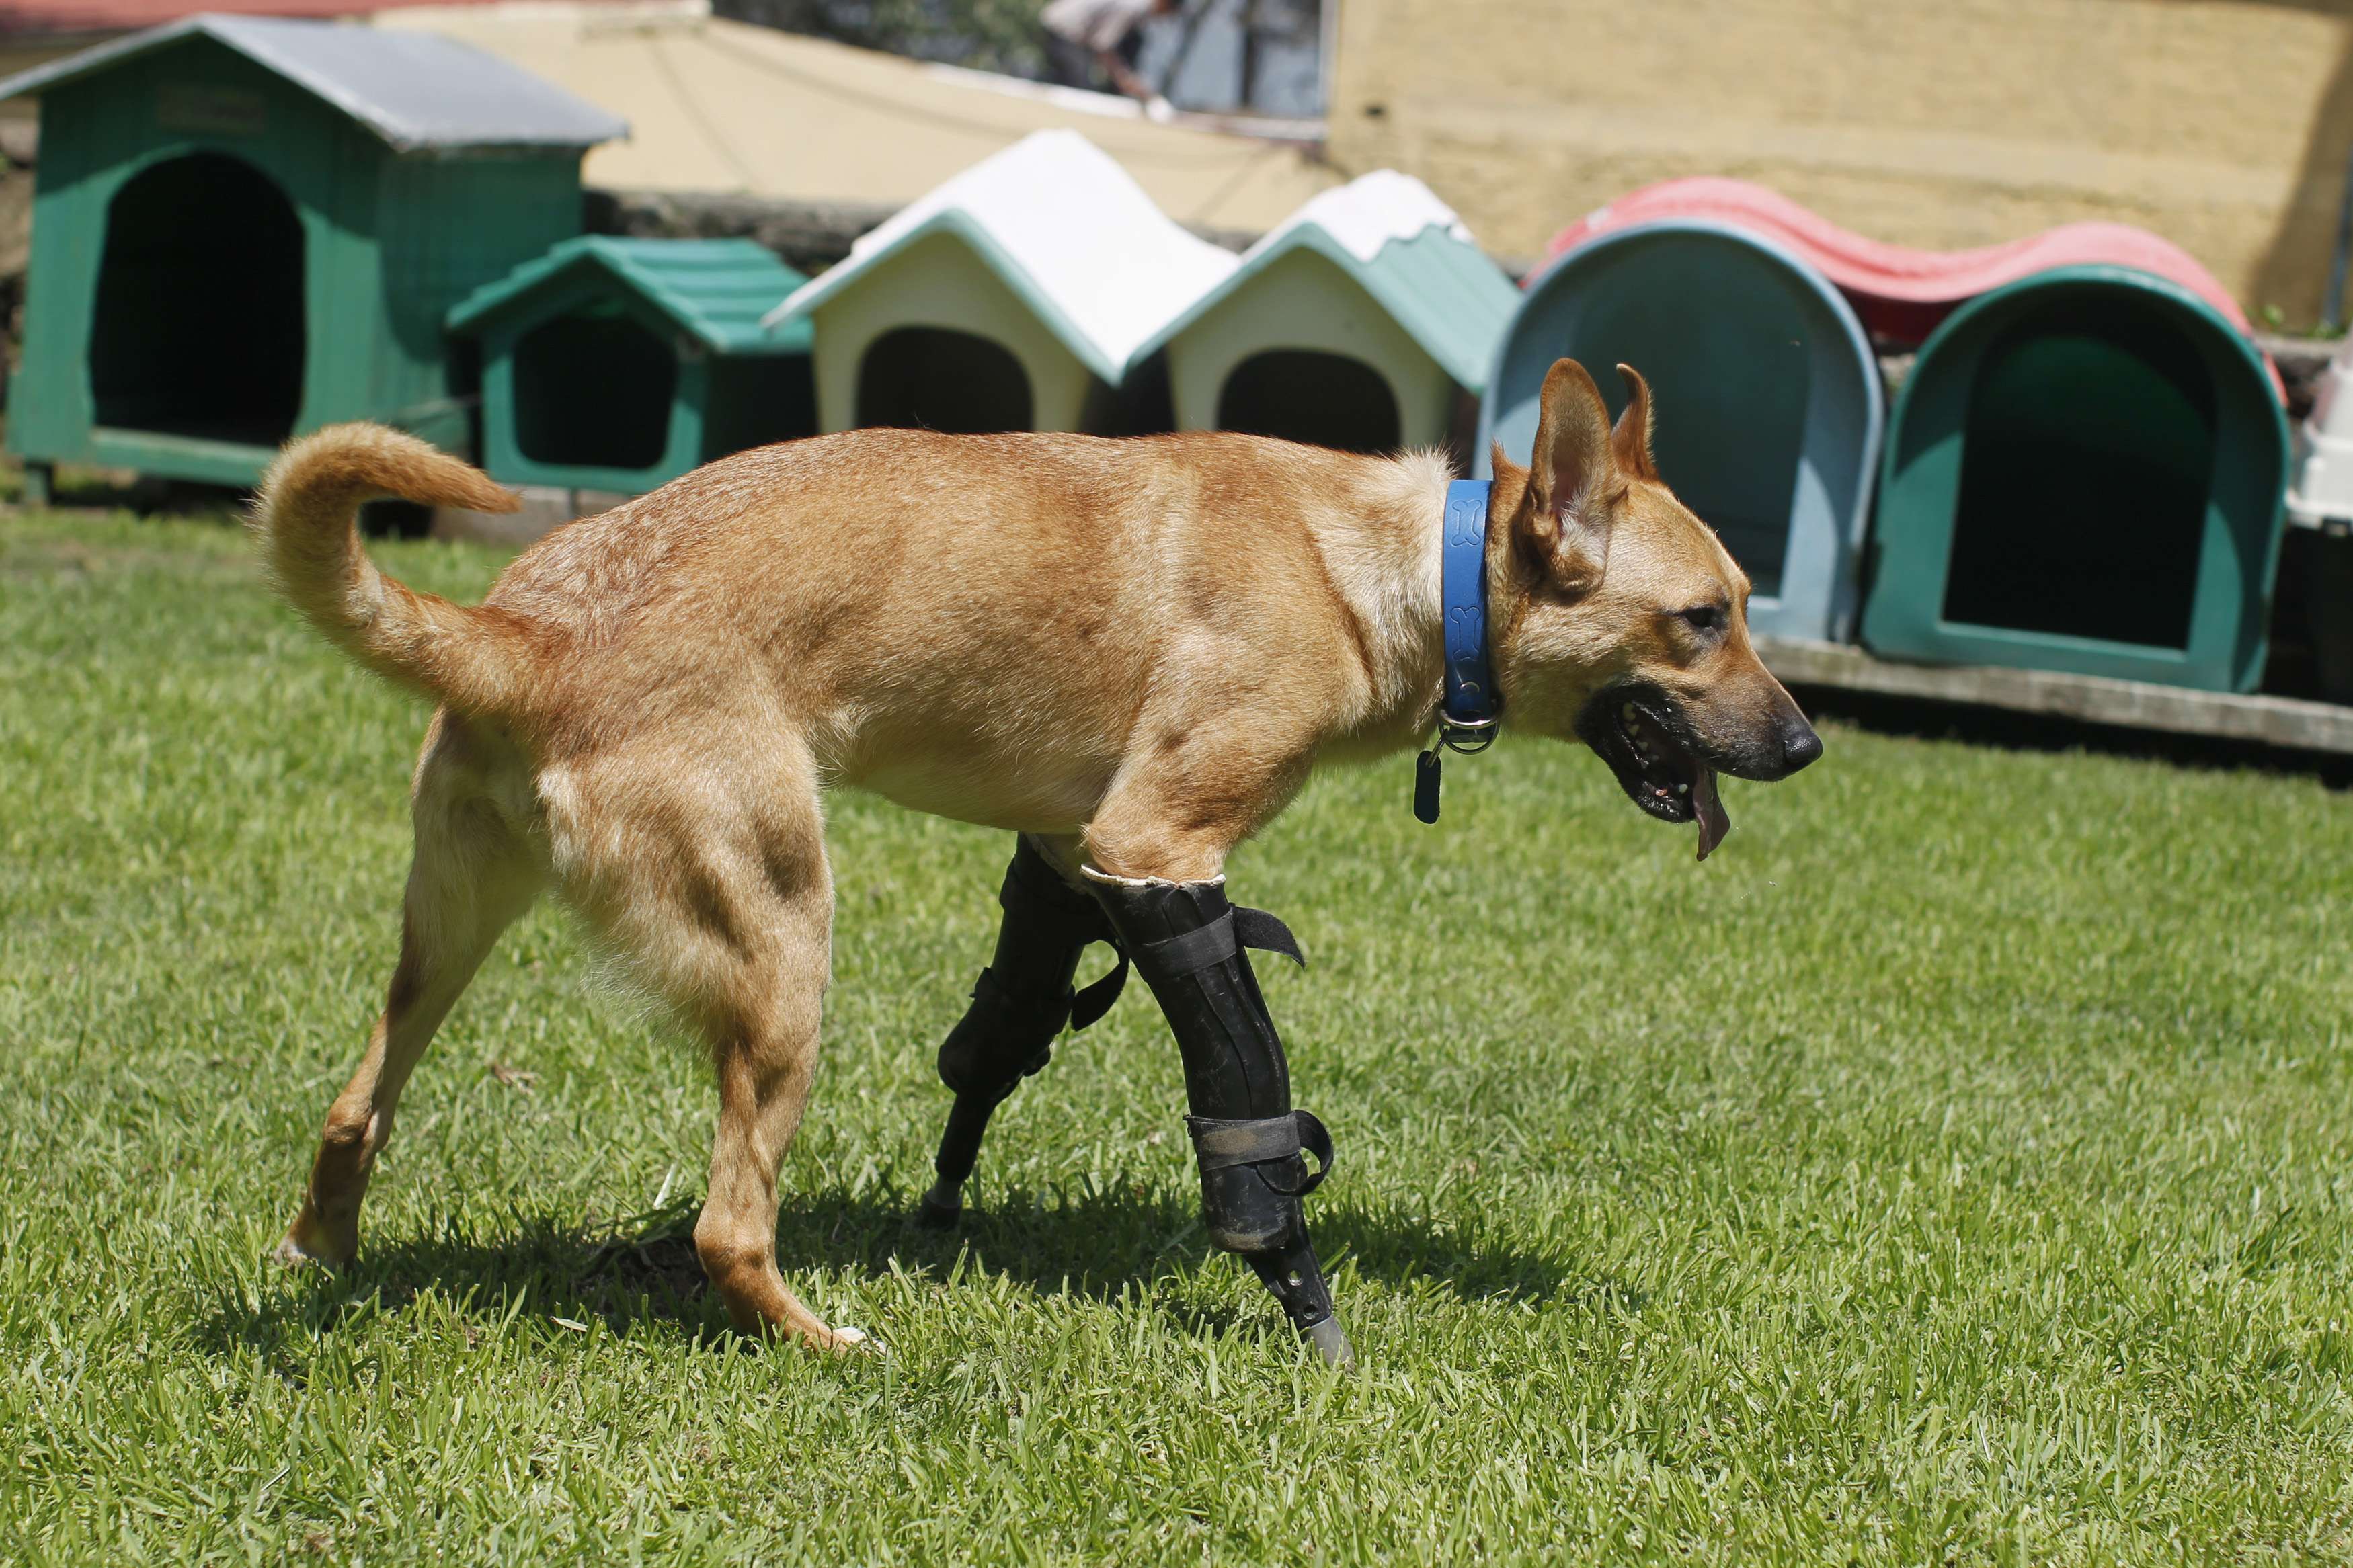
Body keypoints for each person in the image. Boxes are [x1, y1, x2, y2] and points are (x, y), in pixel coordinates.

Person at [1040, 0, 1181, 119]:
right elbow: (1102, 47)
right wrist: (1124, 79)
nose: (1161, 18)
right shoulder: (1131, 8)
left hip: (1073, 32)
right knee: (1081, 88)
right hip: (1064, 30)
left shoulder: (1138, 13)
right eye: (1166, 13)